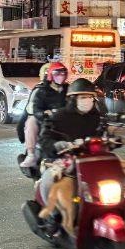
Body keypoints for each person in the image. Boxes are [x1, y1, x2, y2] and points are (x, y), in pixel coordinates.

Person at [36, 78, 104, 221]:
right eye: (83, 97)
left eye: (90, 97)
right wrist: (56, 145)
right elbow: (44, 139)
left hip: (88, 161)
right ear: (73, 99)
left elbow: (99, 136)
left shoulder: (95, 117)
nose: (87, 101)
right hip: (61, 160)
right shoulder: (58, 116)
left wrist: (108, 139)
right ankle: (54, 215)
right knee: (49, 180)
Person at [20, 61, 69, 168]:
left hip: (64, 120)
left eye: (63, 73)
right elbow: (35, 108)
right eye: (57, 73)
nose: (60, 76)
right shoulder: (41, 90)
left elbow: (74, 104)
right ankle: (31, 154)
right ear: (51, 74)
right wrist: (43, 114)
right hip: (46, 120)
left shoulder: (68, 90)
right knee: (31, 121)